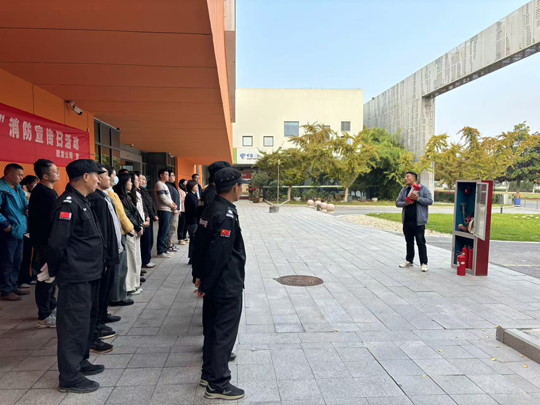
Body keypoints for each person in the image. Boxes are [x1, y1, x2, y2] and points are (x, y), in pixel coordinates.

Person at [43, 159, 106, 394]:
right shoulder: (68, 204)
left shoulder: (83, 200)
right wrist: (55, 271)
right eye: (96, 175)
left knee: (85, 321)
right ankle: (69, 376)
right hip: (75, 275)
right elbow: (57, 243)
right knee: (73, 325)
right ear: (86, 177)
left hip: (89, 273)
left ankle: (80, 362)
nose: (99, 179)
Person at [193, 167, 247, 400]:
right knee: (224, 333)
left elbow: (198, 245)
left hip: (214, 281)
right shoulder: (226, 213)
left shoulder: (210, 207)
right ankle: (218, 383)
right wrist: (206, 283)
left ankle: (208, 374)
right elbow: (219, 254)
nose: (242, 189)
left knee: (213, 331)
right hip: (224, 284)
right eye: (241, 185)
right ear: (235, 187)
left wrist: (199, 275)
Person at [88, 164, 123, 354]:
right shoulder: (94, 199)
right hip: (104, 256)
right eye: (107, 176)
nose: (111, 179)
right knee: (98, 295)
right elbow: (101, 232)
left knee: (104, 292)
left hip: (111, 252)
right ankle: (95, 330)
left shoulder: (103, 196)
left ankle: (101, 320)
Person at [29, 159, 60, 327]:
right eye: (55, 171)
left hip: (48, 241)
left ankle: (50, 307)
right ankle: (44, 315)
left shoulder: (48, 191)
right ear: (45, 176)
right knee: (45, 277)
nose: (58, 173)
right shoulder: (42, 193)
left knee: (51, 277)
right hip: (44, 242)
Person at [107, 168, 135, 307]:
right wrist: (130, 228)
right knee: (119, 269)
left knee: (122, 268)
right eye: (112, 175)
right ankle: (116, 297)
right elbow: (121, 215)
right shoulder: (109, 195)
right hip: (120, 234)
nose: (113, 178)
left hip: (121, 232)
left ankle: (120, 295)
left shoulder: (111, 193)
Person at [0, 163, 28, 301]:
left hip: (19, 229)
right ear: (10, 174)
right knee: (7, 261)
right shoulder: (2, 189)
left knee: (17, 261)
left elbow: (24, 204)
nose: (21, 178)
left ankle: (13, 285)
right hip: (7, 232)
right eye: (19, 175)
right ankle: (5, 290)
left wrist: (28, 208)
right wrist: (6, 225)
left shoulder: (18, 189)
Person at [396, 171, 433, 272]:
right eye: (405, 177)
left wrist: (418, 198)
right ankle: (409, 260)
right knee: (409, 242)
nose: (405, 179)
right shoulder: (404, 190)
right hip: (407, 221)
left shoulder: (423, 189)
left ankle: (424, 263)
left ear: (414, 178)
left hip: (419, 221)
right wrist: (405, 203)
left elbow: (430, 201)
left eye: (407, 177)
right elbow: (397, 202)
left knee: (421, 242)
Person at [114, 173, 143, 295]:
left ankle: (135, 283)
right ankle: (130, 286)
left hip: (134, 229)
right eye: (130, 181)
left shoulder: (128, 196)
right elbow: (126, 215)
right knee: (130, 260)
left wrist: (140, 225)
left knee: (135, 258)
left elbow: (135, 213)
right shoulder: (120, 197)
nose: (132, 183)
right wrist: (136, 226)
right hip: (129, 231)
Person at [154, 169, 177, 258]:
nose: (168, 176)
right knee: (163, 231)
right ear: (161, 175)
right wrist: (172, 206)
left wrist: (173, 204)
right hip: (163, 210)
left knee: (166, 231)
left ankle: (164, 249)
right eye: (166, 174)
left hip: (168, 210)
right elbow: (163, 198)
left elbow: (169, 198)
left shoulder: (164, 185)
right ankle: (160, 251)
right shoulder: (159, 184)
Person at [138, 173, 158, 269]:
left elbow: (150, 204)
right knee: (145, 241)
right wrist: (148, 216)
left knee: (149, 241)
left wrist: (154, 215)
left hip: (149, 218)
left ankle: (146, 260)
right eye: (142, 179)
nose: (144, 181)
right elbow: (144, 207)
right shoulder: (137, 193)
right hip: (145, 219)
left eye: (145, 179)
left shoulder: (144, 191)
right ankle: (145, 261)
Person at [185, 180, 200, 261]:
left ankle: (193, 257)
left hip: (193, 220)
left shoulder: (193, 196)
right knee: (194, 239)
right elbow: (195, 208)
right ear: (192, 187)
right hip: (192, 221)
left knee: (194, 239)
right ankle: (192, 258)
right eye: (195, 186)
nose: (197, 187)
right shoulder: (190, 196)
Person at [166, 170, 180, 253]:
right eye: (172, 175)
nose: (174, 177)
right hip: (172, 211)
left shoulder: (172, 186)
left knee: (173, 227)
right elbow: (169, 199)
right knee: (172, 227)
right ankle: (168, 245)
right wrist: (174, 209)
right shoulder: (168, 186)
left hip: (176, 210)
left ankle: (170, 243)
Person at [177, 179, 188, 245]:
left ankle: (184, 236)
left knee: (186, 224)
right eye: (184, 184)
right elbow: (179, 201)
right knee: (181, 224)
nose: (186, 185)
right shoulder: (179, 191)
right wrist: (185, 197)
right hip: (182, 210)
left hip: (187, 210)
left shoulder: (186, 191)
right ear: (181, 184)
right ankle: (180, 238)